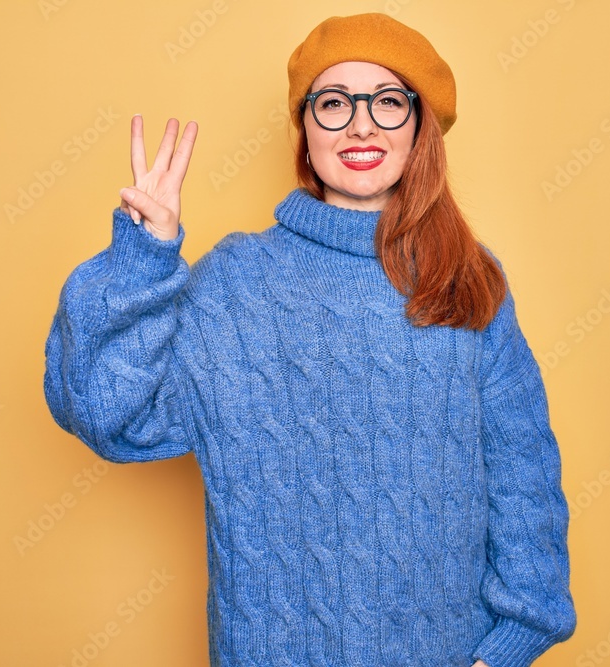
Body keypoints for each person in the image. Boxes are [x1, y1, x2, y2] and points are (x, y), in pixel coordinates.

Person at [43, 12, 576, 667]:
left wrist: (509, 644)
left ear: (420, 127)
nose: (360, 124)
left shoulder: (467, 277)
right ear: (306, 129)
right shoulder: (238, 281)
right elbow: (108, 414)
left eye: (386, 102)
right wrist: (143, 257)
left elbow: (524, 476)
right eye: (334, 103)